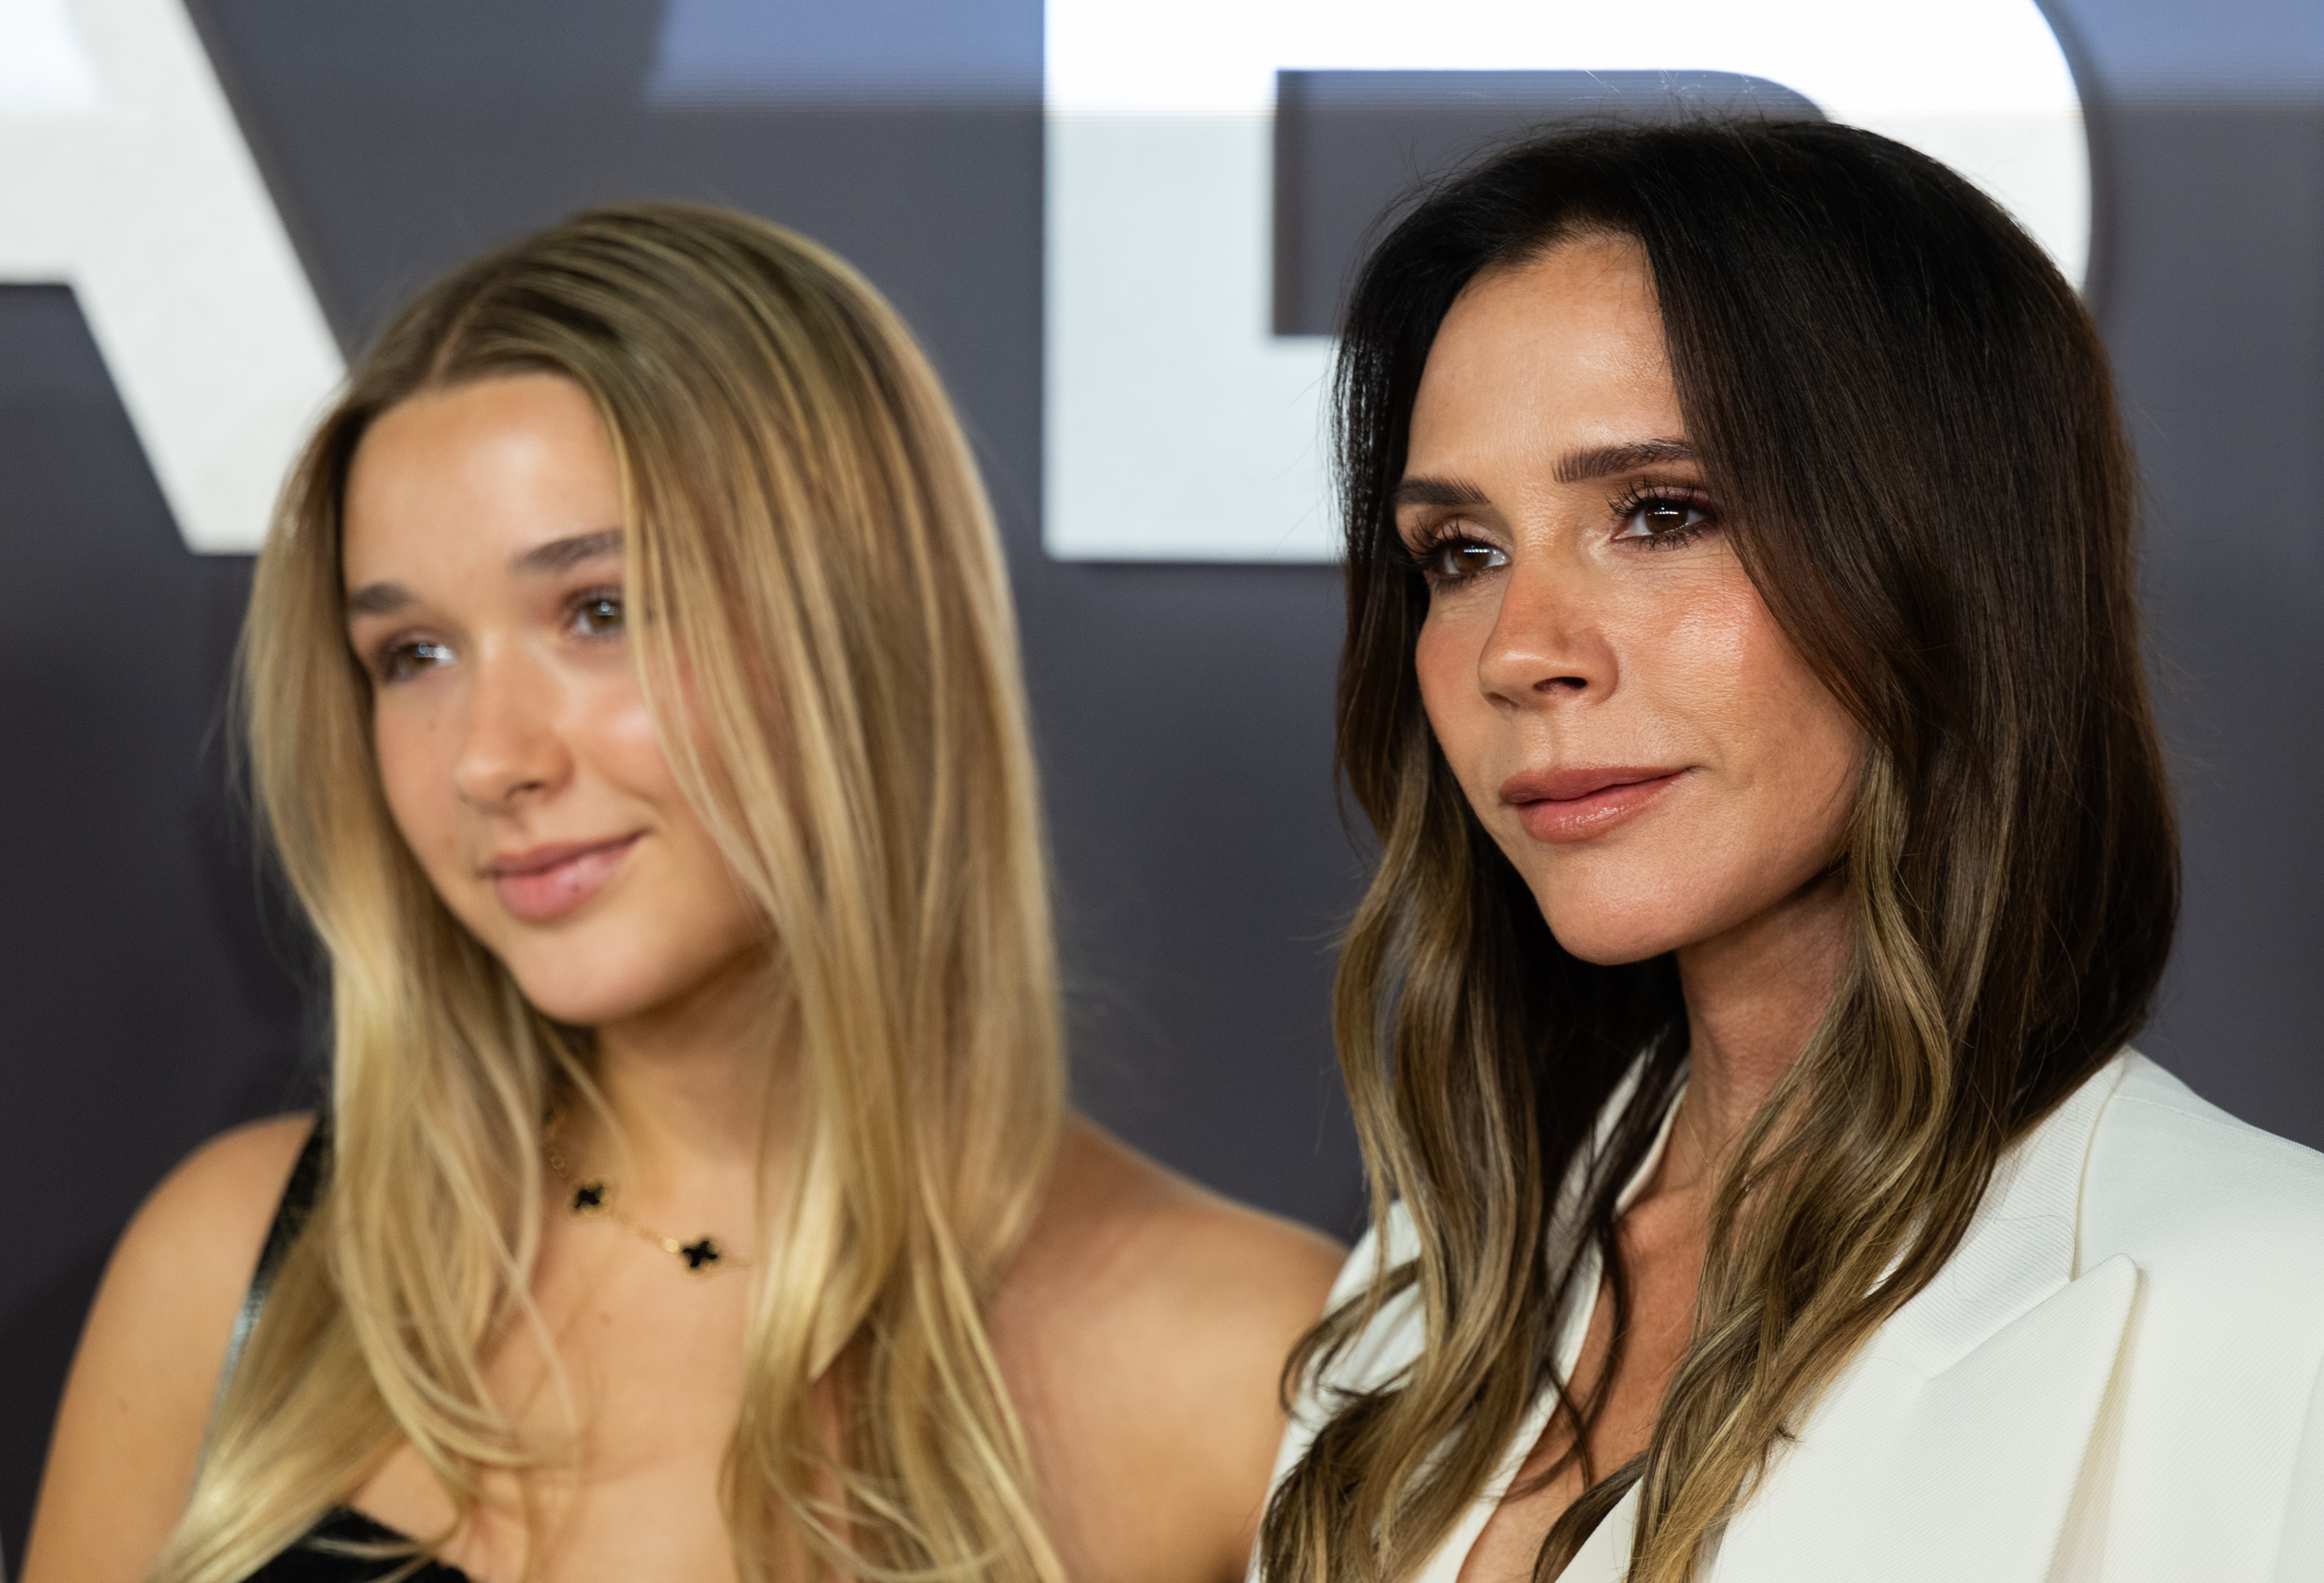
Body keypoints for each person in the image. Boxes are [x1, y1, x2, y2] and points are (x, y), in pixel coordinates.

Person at [26, 203, 1342, 1583]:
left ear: (856, 622)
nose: (488, 759)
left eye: (599, 611)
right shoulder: (245, 1264)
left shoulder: (1245, 1371)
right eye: (412, 653)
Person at [1256, 121, 2324, 1583]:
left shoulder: (2278, 1307)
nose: (1521, 653)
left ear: (1944, 557)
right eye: (1464, 552)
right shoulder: (1414, 1298)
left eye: (1661, 514)